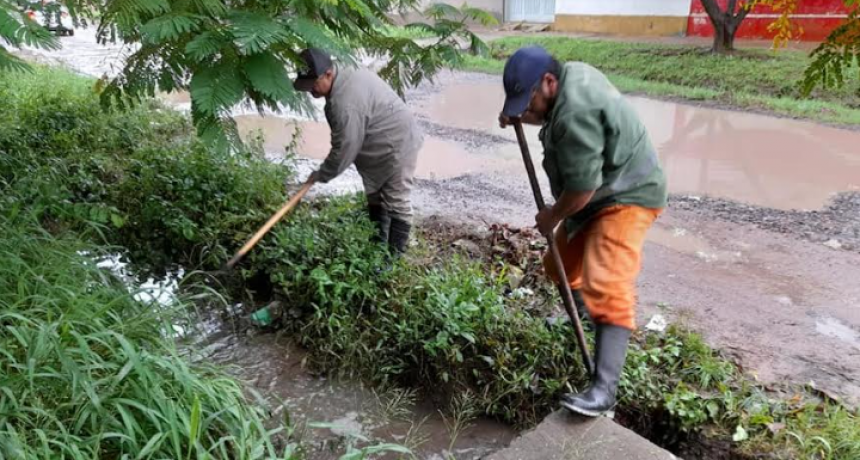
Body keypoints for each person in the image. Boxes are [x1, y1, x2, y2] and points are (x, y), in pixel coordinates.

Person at [499, 46, 667, 418]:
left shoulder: (575, 113)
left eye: (528, 102)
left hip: (627, 196)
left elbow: (580, 190)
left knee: (606, 283)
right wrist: (517, 114)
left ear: (548, 81)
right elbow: (548, 119)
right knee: (559, 265)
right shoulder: (566, 77)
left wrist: (551, 217)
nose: (529, 110)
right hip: (596, 197)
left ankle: (604, 389)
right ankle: (583, 317)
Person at [293, 48, 423, 254]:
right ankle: (377, 250)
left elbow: (345, 148)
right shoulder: (340, 71)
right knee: (375, 196)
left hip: (398, 141)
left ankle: (393, 260)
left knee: (396, 199)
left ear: (328, 74)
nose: (311, 91)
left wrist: (321, 174)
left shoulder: (345, 104)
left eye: (313, 84)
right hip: (375, 142)